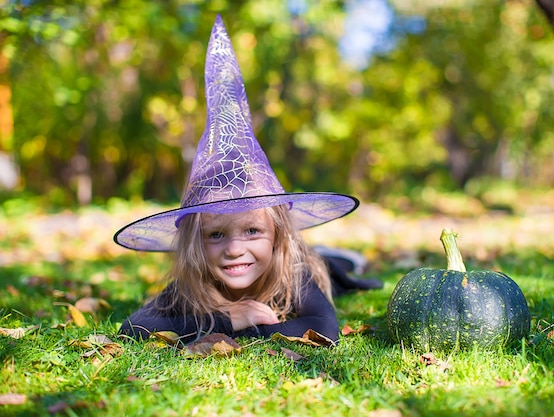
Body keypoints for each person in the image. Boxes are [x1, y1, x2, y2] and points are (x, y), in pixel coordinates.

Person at [114, 15, 381, 345]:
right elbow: (132, 329)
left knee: (330, 268)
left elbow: (324, 328)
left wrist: (250, 330)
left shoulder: (292, 266)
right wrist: (231, 319)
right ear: (196, 242)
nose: (234, 250)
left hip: (313, 264)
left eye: (252, 230)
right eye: (216, 235)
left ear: (278, 235)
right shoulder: (196, 278)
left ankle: (342, 260)